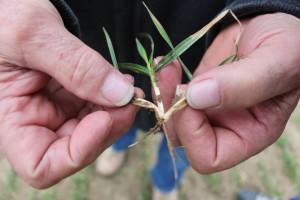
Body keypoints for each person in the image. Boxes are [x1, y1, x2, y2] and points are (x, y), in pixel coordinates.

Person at [0, 0, 299, 199]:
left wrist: (279, 6)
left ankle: (165, 183)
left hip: (199, 63)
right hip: (96, 57)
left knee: (187, 138)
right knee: (112, 117)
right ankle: (117, 146)